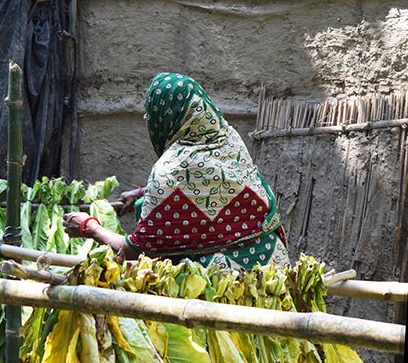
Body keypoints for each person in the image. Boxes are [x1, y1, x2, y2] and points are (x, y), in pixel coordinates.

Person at [63, 73, 289, 270]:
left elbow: (138, 249)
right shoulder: (229, 140)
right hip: (272, 270)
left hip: (226, 288)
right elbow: (211, 190)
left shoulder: (170, 169)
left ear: (163, 119)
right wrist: (144, 192)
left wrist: (89, 227)